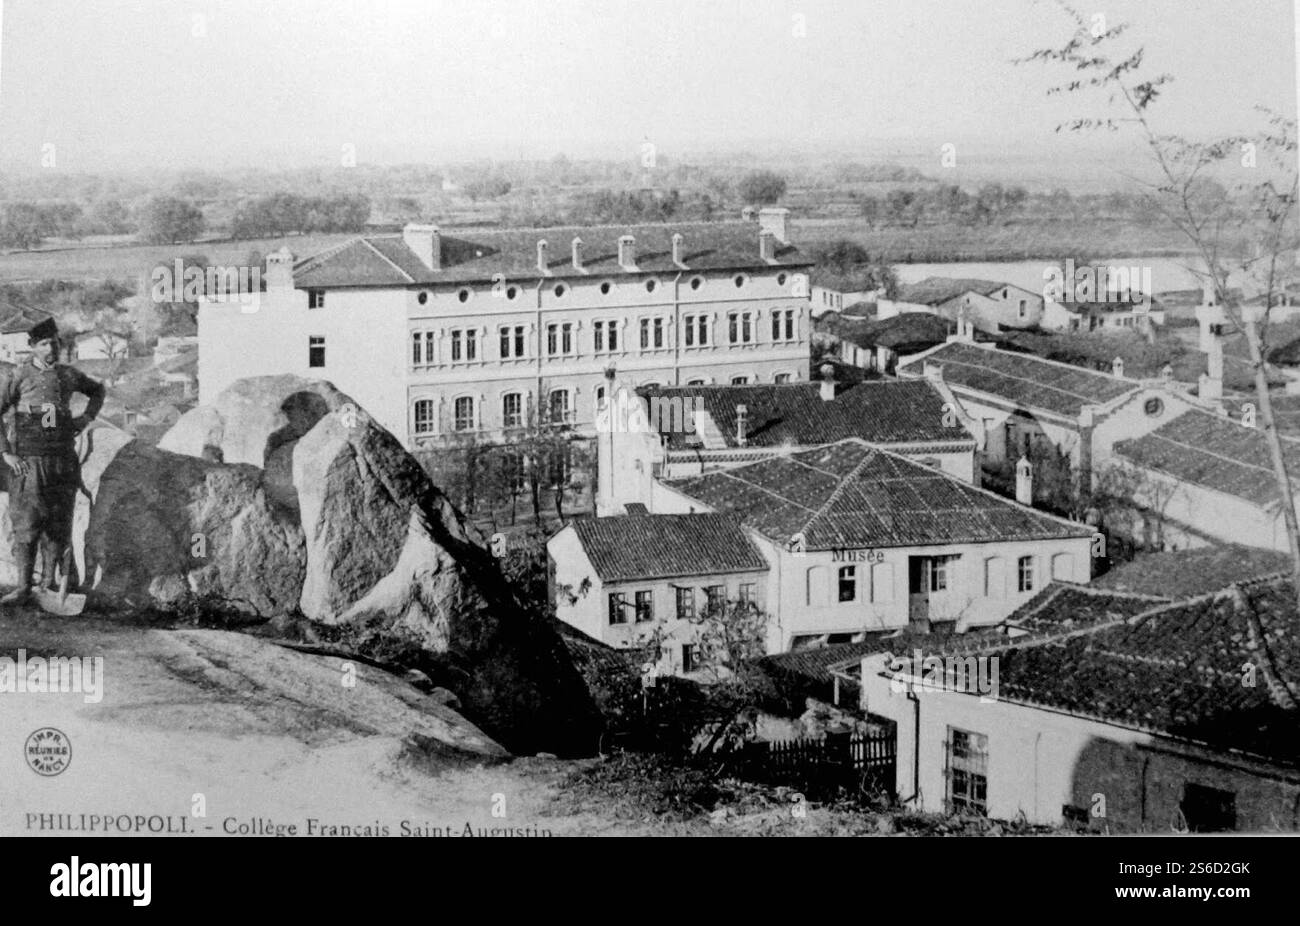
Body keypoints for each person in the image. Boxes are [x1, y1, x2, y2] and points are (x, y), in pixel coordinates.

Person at [0, 317, 104, 605]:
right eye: (44, 344)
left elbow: (98, 391)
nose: (51, 349)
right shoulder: (18, 376)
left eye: (55, 343)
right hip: (29, 463)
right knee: (27, 523)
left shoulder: (69, 375)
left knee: (59, 525)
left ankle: (51, 585)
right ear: (33, 347)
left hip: (62, 461)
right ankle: (23, 588)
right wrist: (6, 452)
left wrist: (85, 418)